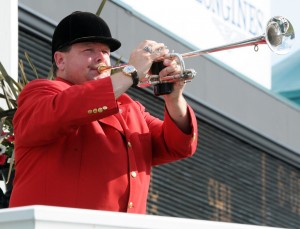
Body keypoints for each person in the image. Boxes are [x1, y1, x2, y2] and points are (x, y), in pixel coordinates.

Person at [9, 11, 197, 214]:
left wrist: (174, 98)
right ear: (60, 60)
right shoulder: (41, 93)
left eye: (106, 52)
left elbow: (177, 145)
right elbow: (70, 107)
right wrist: (131, 73)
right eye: (89, 50)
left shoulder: (130, 107)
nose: (101, 58)